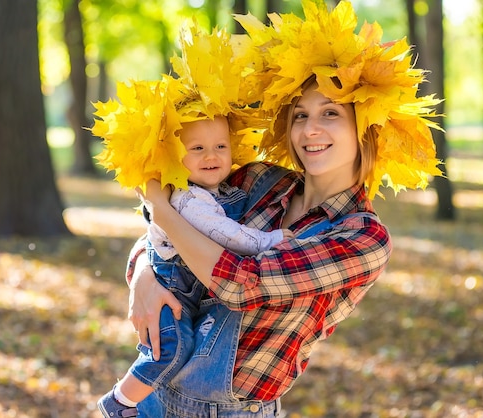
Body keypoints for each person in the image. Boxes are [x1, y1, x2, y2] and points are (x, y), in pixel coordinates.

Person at [125, 1, 443, 416]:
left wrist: (161, 211)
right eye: (300, 115)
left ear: (365, 127)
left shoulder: (362, 238)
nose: (310, 129)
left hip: (233, 410)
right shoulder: (258, 180)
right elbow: (165, 234)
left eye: (330, 113)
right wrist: (143, 274)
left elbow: (241, 285)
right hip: (154, 392)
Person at [96, 113, 293, 417]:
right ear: (174, 156)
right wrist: (273, 239)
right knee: (169, 350)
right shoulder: (188, 198)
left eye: (220, 146)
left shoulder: (218, 190)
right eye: (197, 149)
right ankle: (120, 402)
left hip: (187, 290)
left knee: (173, 347)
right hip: (175, 288)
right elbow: (228, 235)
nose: (211, 156)